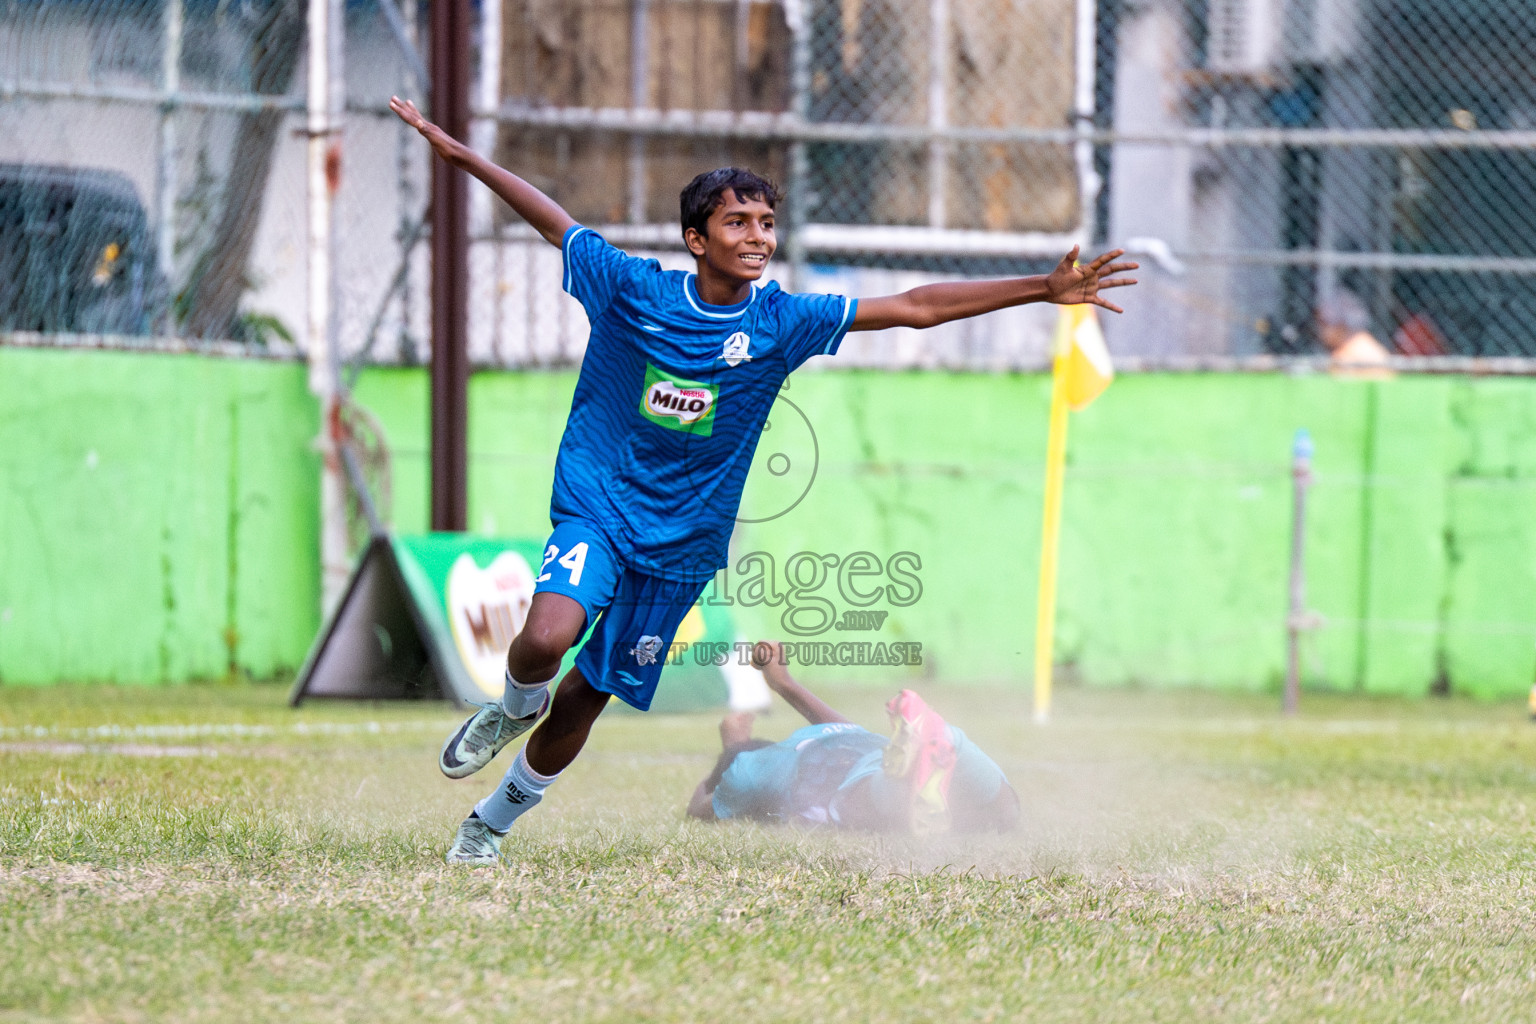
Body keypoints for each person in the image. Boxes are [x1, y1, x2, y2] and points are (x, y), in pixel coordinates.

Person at [387, 95, 1134, 865]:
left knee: (587, 694)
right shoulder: (631, 289)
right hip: (601, 505)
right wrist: (465, 157)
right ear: (695, 238)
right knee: (546, 639)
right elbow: (555, 222)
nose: (757, 238)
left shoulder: (781, 322)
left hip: (682, 545)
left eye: (767, 224)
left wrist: (1041, 289)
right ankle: (511, 707)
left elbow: (913, 307)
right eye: (738, 223)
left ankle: (489, 826)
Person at [687, 641, 1019, 833]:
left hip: (865, 784)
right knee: (1002, 812)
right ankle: (940, 738)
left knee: (869, 800)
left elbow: (698, 811)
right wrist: (783, 684)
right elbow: (845, 727)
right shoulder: (826, 736)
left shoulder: (750, 771)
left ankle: (917, 775)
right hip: (878, 755)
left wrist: (729, 750)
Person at [1317, 291, 1392, 378]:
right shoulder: (1360, 342)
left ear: (1341, 326)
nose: (1322, 332)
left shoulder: (1353, 347)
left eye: (1325, 325)